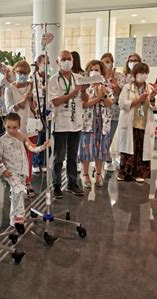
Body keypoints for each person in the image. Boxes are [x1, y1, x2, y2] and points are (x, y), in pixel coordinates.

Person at [0, 113, 50, 233]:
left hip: (22, 171)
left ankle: (14, 218)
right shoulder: (1, 141)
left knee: (18, 194)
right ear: (4, 125)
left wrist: (42, 147)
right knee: (18, 190)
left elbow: (31, 148)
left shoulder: (21, 136)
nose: (11, 130)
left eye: (14, 127)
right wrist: (3, 170)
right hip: (10, 172)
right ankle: (18, 220)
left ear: (19, 126)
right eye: (9, 127)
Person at [48, 50, 89, 198]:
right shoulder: (53, 80)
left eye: (69, 59)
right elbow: (55, 101)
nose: (67, 61)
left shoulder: (78, 78)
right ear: (58, 62)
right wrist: (72, 94)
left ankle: (72, 183)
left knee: (72, 156)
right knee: (59, 157)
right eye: (63, 59)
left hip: (76, 122)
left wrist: (83, 91)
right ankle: (56, 185)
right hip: (60, 123)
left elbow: (85, 99)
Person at [4, 60, 42, 197]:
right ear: (14, 73)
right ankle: (14, 183)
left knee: (28, 157)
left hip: (30, 127)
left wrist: (31, 100)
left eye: (25, 73)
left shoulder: (33, 88)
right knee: (14, 158)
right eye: (19, 72)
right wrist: (25, 96)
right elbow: (10, 109)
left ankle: (28, 182)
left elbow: (36, 109)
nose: (22, 75)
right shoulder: (9, 89)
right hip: (15, 129)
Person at [116, 63, 157, 183]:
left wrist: (152, 99)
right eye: (141, 73)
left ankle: (140, 173)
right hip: (130, 123)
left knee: (142, 149)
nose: (143, 75)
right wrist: (137, 101)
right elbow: (122, 104)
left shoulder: (150, 89)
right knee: (128, 150)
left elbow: (156, 107)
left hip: (144, 124)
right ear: (135, 74)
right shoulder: (127, 87)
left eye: (146, 73)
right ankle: (125, 174)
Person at [79, 60, 114, 188]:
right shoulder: (85, 88)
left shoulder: (106, 87)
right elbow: (84, 104)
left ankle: (99, 173)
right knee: (86, 148)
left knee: (101, 149)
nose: (95, 72)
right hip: (88, 123)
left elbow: (110, 103)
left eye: (97, 70)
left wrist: (103, 95)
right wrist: (98, 98)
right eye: (92, 69)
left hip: (102, 123)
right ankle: (85, 174)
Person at [100, 52, 125, 172]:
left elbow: (122, 93)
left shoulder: (120, 76)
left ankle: (107, 159)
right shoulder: (99, 76)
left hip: (115, 112)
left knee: (109, 138)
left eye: (108, 62)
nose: (106, 64)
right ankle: (105, 159)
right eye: (103, 62)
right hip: (100, 112)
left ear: (112, 62)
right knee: (102, 137)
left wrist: (115, 84)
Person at [31, 54, 50, 174]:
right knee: (37, 137)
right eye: (44, 63)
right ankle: (35, 162)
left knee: (46, 137)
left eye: (48, 63)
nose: (46, 65)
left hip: (48, 111)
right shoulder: (32, 77)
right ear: (38, 65)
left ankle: (44, 162)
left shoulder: (50, 77)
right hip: (37, 111)